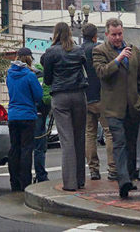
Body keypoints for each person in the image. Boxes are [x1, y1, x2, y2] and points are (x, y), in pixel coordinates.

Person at [92, 18, 140, 199]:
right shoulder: (99, 51)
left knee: (131, 144)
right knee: (120, 142)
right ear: (107, 34)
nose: (117, 38)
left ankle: (130, 177)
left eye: (120, 34)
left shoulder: (134, 50)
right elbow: (101, 73)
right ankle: (123, 181)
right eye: (114, 34)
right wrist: (118, 59)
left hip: (133, 106)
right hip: (113, 108)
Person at [41, 22, 88, 191]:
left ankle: (70, 183)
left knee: (67, 140)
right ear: (69, 33)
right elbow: (86, 69)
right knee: (79, 137)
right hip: (78, 95)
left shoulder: (51, 52)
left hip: (60, 96)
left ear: (56, 33)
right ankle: (81, 179)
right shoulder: (78, 50)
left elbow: (47, 80)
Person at [81, 23, 116, 181]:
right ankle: (112, 168)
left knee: (90, 134)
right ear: (95, 36)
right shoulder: (100, 49)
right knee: (109, 132)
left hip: (86, 97)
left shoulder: (78, 50)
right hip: (103, 96)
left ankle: (93, 169)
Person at [6, 47, 43, 192]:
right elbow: (38, 96)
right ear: (29, 58)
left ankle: (14, 182)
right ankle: (25, 182)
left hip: (13, 115)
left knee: (14, 149)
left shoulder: (9, 74)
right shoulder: (30, 75)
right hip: (27, 116)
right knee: (26, 149)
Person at [33, 61, 50, 183]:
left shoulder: (13, 74)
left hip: (20, 114)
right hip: (38, 113)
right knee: (40, 147)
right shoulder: (42, 76)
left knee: (24, 147)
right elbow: (44, 97)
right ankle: (41, 175)